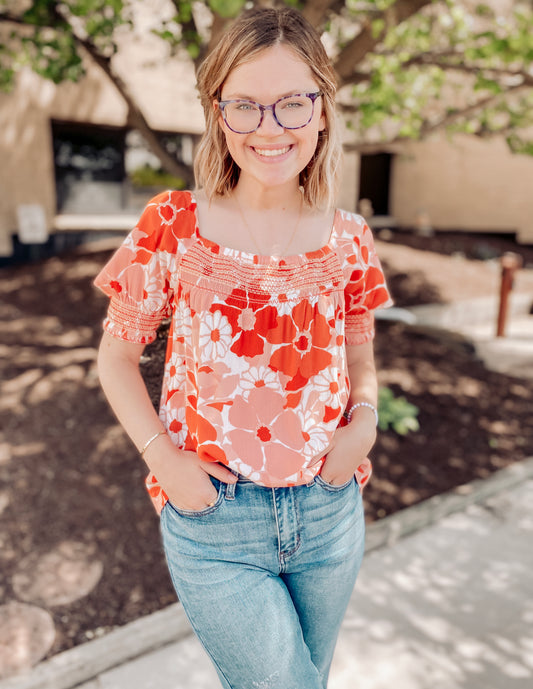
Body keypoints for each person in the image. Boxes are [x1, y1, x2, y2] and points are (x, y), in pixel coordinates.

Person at [95, 7, 392, 689]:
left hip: (327, 511)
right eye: (245, 106)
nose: (270, 128)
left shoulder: (350, 237)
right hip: (215, 520)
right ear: (217, 111)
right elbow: (114, 358)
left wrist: (366, 420)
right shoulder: (171, 223)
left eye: (292, 103)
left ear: (322, 109)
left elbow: (360, 357)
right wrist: (162, 458)